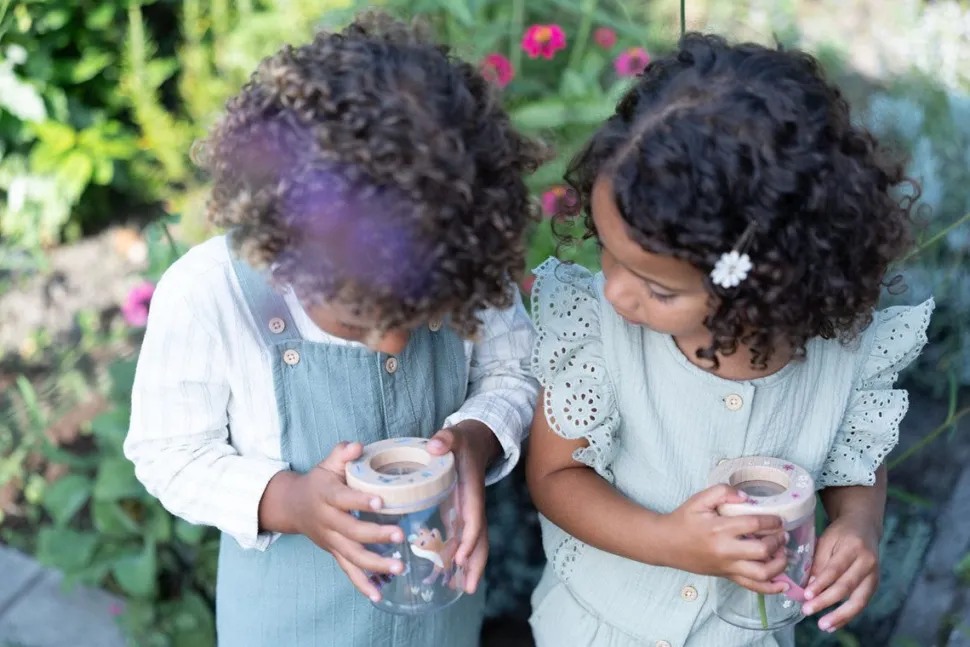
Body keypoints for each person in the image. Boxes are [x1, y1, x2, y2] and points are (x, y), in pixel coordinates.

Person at [124, 11, 547, 647]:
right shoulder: (210, 295)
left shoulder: (456, 253)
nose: (395, 343)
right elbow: (168, 453)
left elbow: (513, 367)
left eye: (425, 315)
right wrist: (289, 501)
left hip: (440, 623)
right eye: (358, 319)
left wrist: (475, 438)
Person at [525, 33, 934, 647]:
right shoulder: (598, 332)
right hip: (599, 628)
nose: (616, 292)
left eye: (658, 289)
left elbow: (853, 458)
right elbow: (555, 475)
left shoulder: (844, 356)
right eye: (607, 251)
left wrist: (858, 525)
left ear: (765, 282)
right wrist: (665, 540)